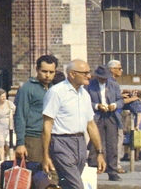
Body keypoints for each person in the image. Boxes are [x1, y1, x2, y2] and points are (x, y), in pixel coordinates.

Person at [43, 61, 105, 189]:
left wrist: (99, 152)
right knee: (76, 186)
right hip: (61, 143)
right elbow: (47, 125)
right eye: (85, 73)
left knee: (67, 185)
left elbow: (91, 125)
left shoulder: (85, 95)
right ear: (72, 74)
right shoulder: (56, 92)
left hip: (80, 143)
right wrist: (45, 156)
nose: (89, 76)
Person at [14, 56, 60, 178]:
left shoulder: (54, 88)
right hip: (34, 138)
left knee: (53, 174)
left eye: (51, 72)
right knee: (37, 175)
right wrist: (20, 143)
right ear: (37, 69)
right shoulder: (27, 88)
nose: (48, 75)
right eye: (44, 71)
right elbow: (20, 115)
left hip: (52, 137)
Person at [89, 60, 123, 182]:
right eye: (101, 78)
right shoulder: (90, 85)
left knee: (112, 144)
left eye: (105, 78)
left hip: (111, 116)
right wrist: (97, 106)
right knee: (94, 144)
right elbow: (86, 101)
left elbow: (120, 100)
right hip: (97, 116)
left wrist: (114, 105)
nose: (104, 80)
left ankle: (112, 171)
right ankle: (93, 169)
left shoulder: (113, 85)